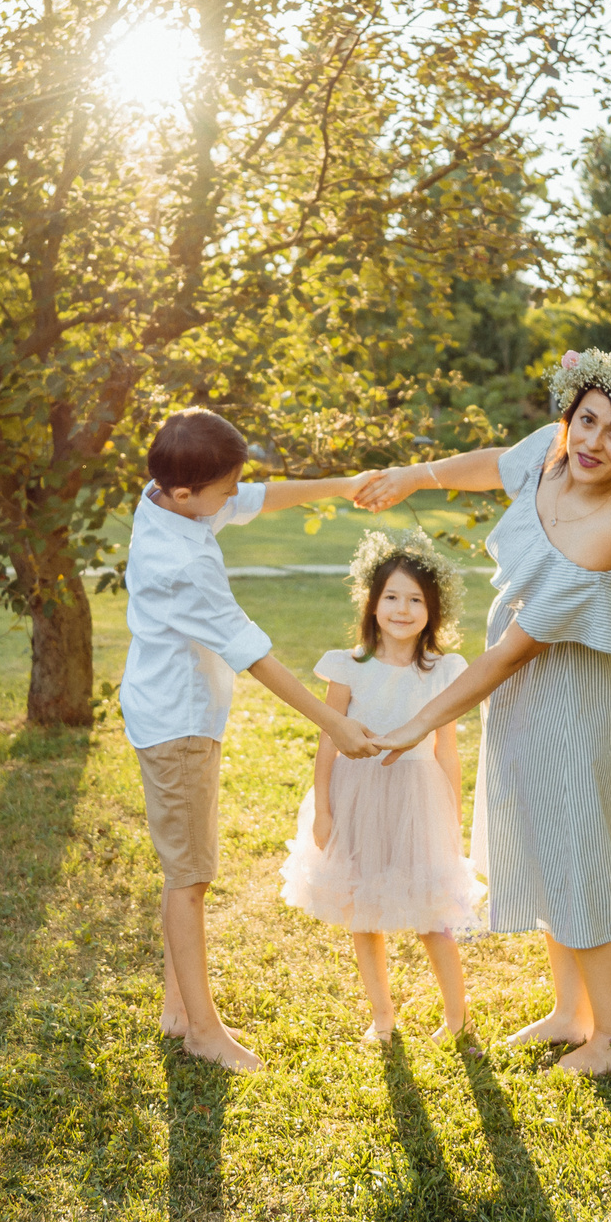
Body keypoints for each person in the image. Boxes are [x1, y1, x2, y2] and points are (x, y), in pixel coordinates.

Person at [352, 350, 611, 1076]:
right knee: (540, 837)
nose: (593, 442)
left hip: (577, 697)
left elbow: (507, 654)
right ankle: (572, 1011)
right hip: (528, 689)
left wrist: (417, 724)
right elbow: (501, 460)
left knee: (579, 847)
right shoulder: (556, 453)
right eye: (585, 420)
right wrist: (417, 475)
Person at [123, 406, 379, 1073]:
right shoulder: (179, 559)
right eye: (224, 488)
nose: (234, 496)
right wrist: (335, 723)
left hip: (176, 714)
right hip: (176, 725)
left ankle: (178, 1009)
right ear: (186, 493)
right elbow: (255, 654)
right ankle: (202, 1032)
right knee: (189, 877)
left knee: (184, 869)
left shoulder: (166, 496)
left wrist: (341, 482)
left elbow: (258, 498)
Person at [277, 530, 483, 1043]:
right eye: (391, 596)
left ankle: (456, 1017)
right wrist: (323, 809)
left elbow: (446, 749)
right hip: (356, 793)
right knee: (362, 908)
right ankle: (383, 1016)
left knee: (432, 913)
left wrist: (452, 814)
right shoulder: (347, 666)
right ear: (371, 605)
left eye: (415, 600)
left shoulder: (444, 671)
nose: (402, 608)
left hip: (418, 797)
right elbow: (329, 742)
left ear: (432, 612)